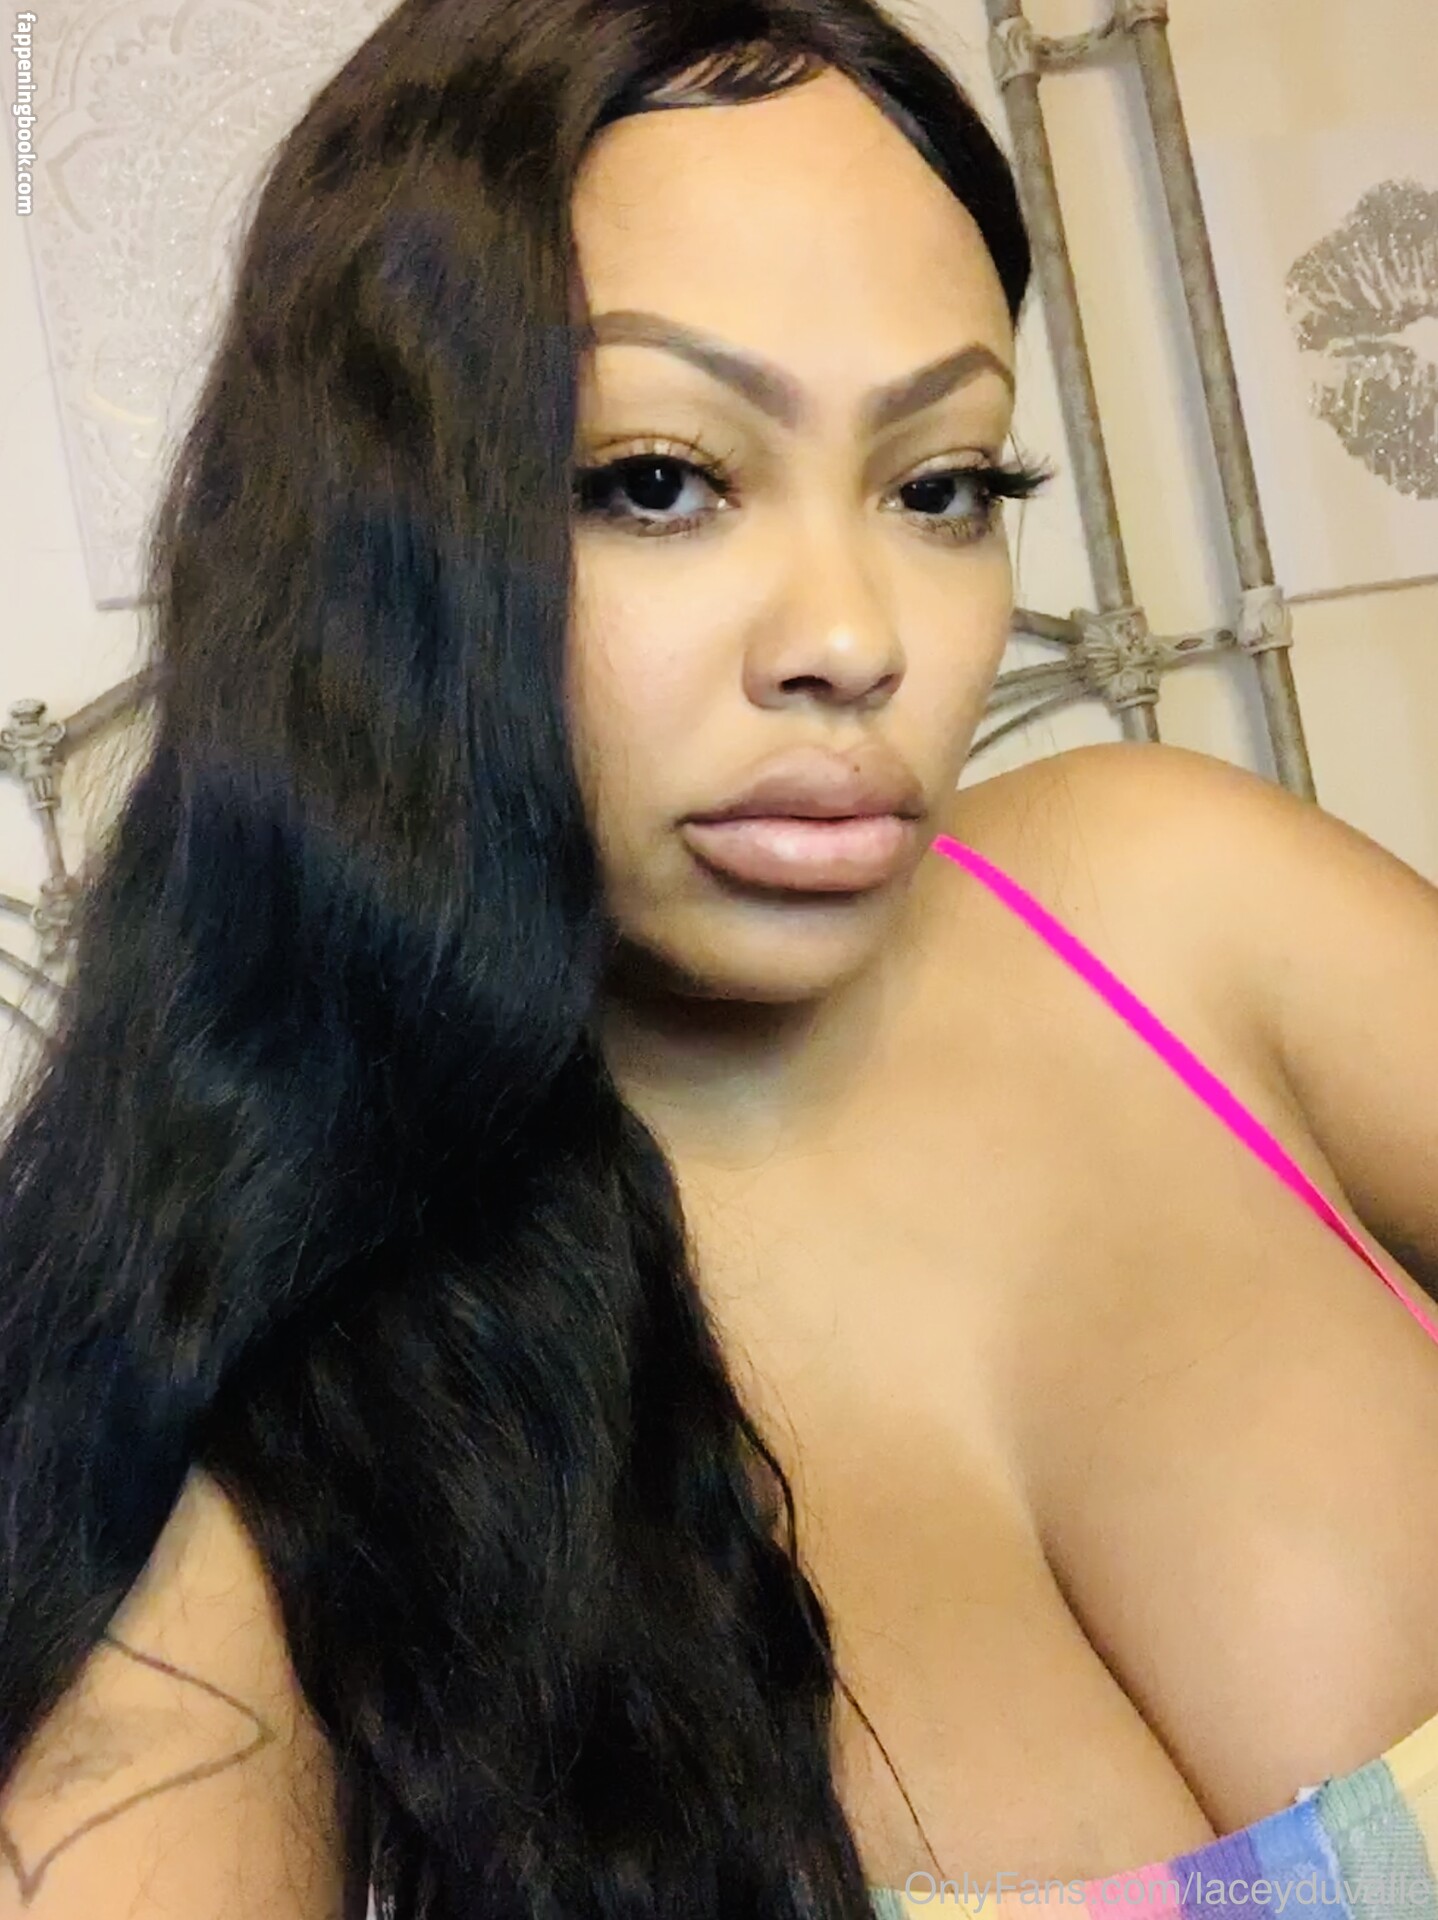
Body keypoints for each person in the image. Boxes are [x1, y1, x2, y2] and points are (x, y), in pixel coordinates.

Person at [2, 0, 1438, 1915]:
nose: (853, 638)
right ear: (371, 548)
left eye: (942, 484)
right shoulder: (229, 1489)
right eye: (658, 479)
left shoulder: (1180, 905)